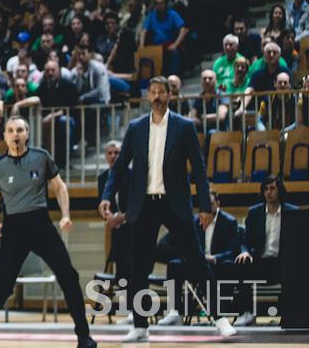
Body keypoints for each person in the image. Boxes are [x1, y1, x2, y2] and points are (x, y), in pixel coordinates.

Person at [99, 77, 236, 341]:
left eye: (162, 92)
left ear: (170, 95)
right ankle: (140, 326)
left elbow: (198, 168)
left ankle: (219, 318)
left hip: (175, 203)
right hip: (143, 203)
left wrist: (205, 206)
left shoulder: (183, 127)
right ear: (148, 96)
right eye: (153, 92)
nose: (158, 96)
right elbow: (118, 168)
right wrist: (107, 195)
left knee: (196, 260)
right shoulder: (136, 127)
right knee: (138, 266)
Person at [0, 117, 95, 348]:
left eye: (20, 130)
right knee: (4, 285)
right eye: (10, 130)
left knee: (68, 275)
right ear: (5, 136)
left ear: (27, 133)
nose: (15, 134)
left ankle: (84, 337)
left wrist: (66, 215)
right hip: (13, 228)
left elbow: (60, 187)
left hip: (40, 224)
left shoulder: (41, 156)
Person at [158, 190, 240, 325]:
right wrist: (189, 255)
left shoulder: (229, 222)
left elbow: (233, 250)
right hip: (197, 263)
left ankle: (221, 312)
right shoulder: (194, 221)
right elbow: (164, 244)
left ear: (218, 203)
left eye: (211, 204)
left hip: (217, 265)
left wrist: (213, 258)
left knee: (228, 265)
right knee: (174, 265)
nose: (207, 207)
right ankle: (175, 311)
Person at [230, 175, 297, 326]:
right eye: (266, 189)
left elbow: (297, 243)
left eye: (272, 188)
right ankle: (247, 313)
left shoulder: (292, 212)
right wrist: (245, 251)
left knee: (296, 269)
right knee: (242, 263)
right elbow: (245, 240)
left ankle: (288, 314)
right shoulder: (255, 212)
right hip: (261, 261)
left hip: (283, 263)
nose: (269, 192)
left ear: (280, 190)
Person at [96, 141, 131, 289]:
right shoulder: (102, 177)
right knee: (121, 269)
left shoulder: (132, 175)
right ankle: (125, 306)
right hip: (116, 230)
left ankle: (138, 305)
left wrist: (122, 217)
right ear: (105, 156)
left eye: (116, 153)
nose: (113, 156)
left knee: (134, 268)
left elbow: (139, 204)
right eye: (110, 153)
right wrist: (108, 217)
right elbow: (101, 202)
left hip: (134, 227)